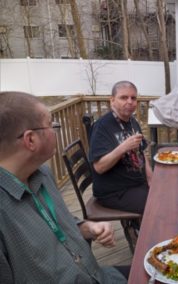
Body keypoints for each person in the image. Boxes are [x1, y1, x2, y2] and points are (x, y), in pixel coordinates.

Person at [0, 91, 128, 283]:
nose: (55, 131)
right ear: (31, 140)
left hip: (99, 276)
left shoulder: (42, 173)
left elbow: (60, 223)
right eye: (52, 125)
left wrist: (87, 227)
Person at [89, 81, 152, 216]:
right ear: (112, 101)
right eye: (124, 97)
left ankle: (136, 227)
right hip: (115, 191)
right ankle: (144, 233)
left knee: (167, 191)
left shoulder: (132, 121)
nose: (130, 102)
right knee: (158, 204)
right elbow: (99, 167)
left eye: (133, 98)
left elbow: (142, 153)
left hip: (137, 183)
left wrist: (151, 178)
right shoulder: (102, 127)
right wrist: (123, 147)